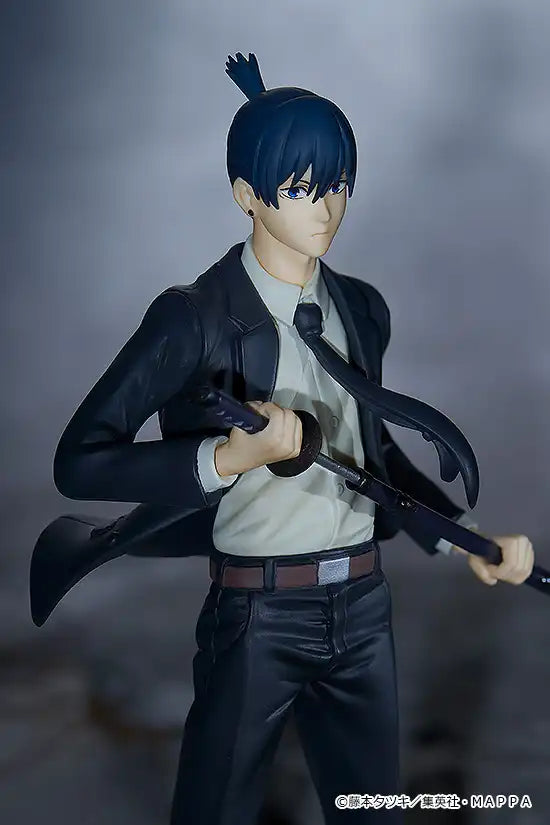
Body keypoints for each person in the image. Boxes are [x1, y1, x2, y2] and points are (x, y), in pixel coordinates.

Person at [48, 53, 534, 824]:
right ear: (247, 194)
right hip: (257, 615)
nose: (327, 210)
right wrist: (228, 457)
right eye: (302, 188)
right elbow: (81, 460)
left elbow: (375, 456)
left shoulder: (360, 309)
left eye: (338, 185)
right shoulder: (195, 318)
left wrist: (463, 538)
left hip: (363, 607)